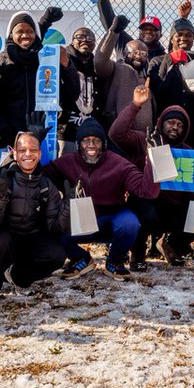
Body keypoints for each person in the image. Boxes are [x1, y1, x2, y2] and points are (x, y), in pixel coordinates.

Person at [46, 118, 160, 280]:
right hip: (79, 221)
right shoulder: (66, 162)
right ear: (78, 144)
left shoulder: (119, 164)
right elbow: (39, 177)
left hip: (111, 220)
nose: (91, 144)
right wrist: (37, 142)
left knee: (130, 223)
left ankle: (114, 261)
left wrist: (153, 158)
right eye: (86, 140)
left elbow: (148, 191)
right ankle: (81, 258)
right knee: (50, 226)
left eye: (96, 140)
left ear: (104, 144)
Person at [110, 85, 194, 267]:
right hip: (144, 201)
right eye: (171, 123)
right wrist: (135, 105)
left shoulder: (188, 152)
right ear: (161, 123)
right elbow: (116, 133)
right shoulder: (143, 139)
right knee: (146, 211)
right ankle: (137, 251)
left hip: (172, 207)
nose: (175, 127)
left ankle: (173, 243)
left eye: (180, 125)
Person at [0, 130, 69, 295]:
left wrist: (67, 207)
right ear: (14, 153)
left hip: (31, 240)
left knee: (57, 254)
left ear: (40, 154)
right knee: (0, 241)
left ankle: (18, 277)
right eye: (22, 150)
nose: (28, 154)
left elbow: (55, 228)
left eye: (33, 150)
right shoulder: (1, 178)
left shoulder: (46, 185)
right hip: (2, 243)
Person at [0, 10, 79, 148]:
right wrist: (5, 131)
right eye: (19, 31)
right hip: (9, 137)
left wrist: (67, 66)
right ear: (11, 35)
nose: (25, 35)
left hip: (43, 135)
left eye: (30, 31)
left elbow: (72, 94)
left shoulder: (48, 59)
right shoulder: (2, 61)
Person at [148, 18, 194, 147]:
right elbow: (157, 91)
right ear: (171, 38)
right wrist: (170, 61)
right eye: (179, 35)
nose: (184, 38)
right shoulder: (157, 61)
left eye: (189, 35)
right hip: (166, 128)